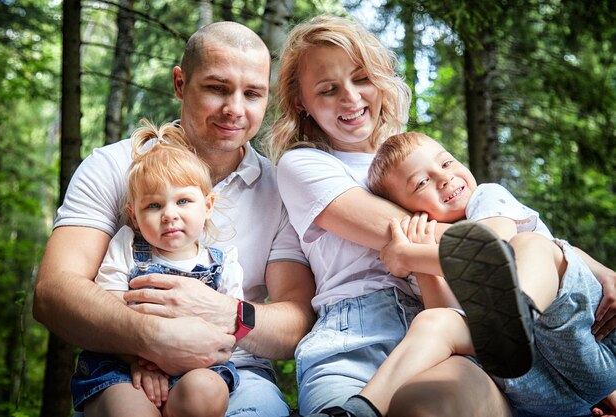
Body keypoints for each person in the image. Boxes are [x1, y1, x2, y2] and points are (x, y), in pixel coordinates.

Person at [264, 14, 616, 417]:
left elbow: (484, 241)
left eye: (361, 78)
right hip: (356, 336)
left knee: (431, 404)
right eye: (328, 89)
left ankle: (522, 322)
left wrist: (585, 263)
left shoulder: (419, 161)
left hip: (457, 327)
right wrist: (550, 250)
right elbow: (473, 243)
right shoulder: (304, 164)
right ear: (299, 102)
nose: (350, 97)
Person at [33, 22, 315, 417]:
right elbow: (52, 292)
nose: (235, 108)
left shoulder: (280, 187)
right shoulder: (114, 166)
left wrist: (228, 313)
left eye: (252, 94)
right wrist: (150, 338)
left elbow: (298, 321)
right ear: (181, 84)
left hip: (234, 371)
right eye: (217, 88)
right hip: (124, 367)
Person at [364, 131, 616, 417]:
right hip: (534, 386)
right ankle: (362, 407)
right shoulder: (425, 251)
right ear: (407, 211)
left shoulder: (485, 197)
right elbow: (450, 315)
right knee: (434, 320)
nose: (444, 178)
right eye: (422, 182)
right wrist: (422, 266)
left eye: (446, 163)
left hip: (587, 338)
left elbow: (492, 249)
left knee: (529, 245)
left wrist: (407, 255)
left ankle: (518, 315)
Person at [70, 120, 244, 416]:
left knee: (208, 391)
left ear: (208, 205)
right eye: (153, 206)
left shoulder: (222, 262)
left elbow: (232, 330)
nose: (169, 215)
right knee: (129, 408)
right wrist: (140, 359)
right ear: (134, 216)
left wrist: (192, 357)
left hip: (195, 364)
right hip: (125, 363)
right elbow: (109, 306)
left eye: (183, 201)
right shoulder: (127, 245)